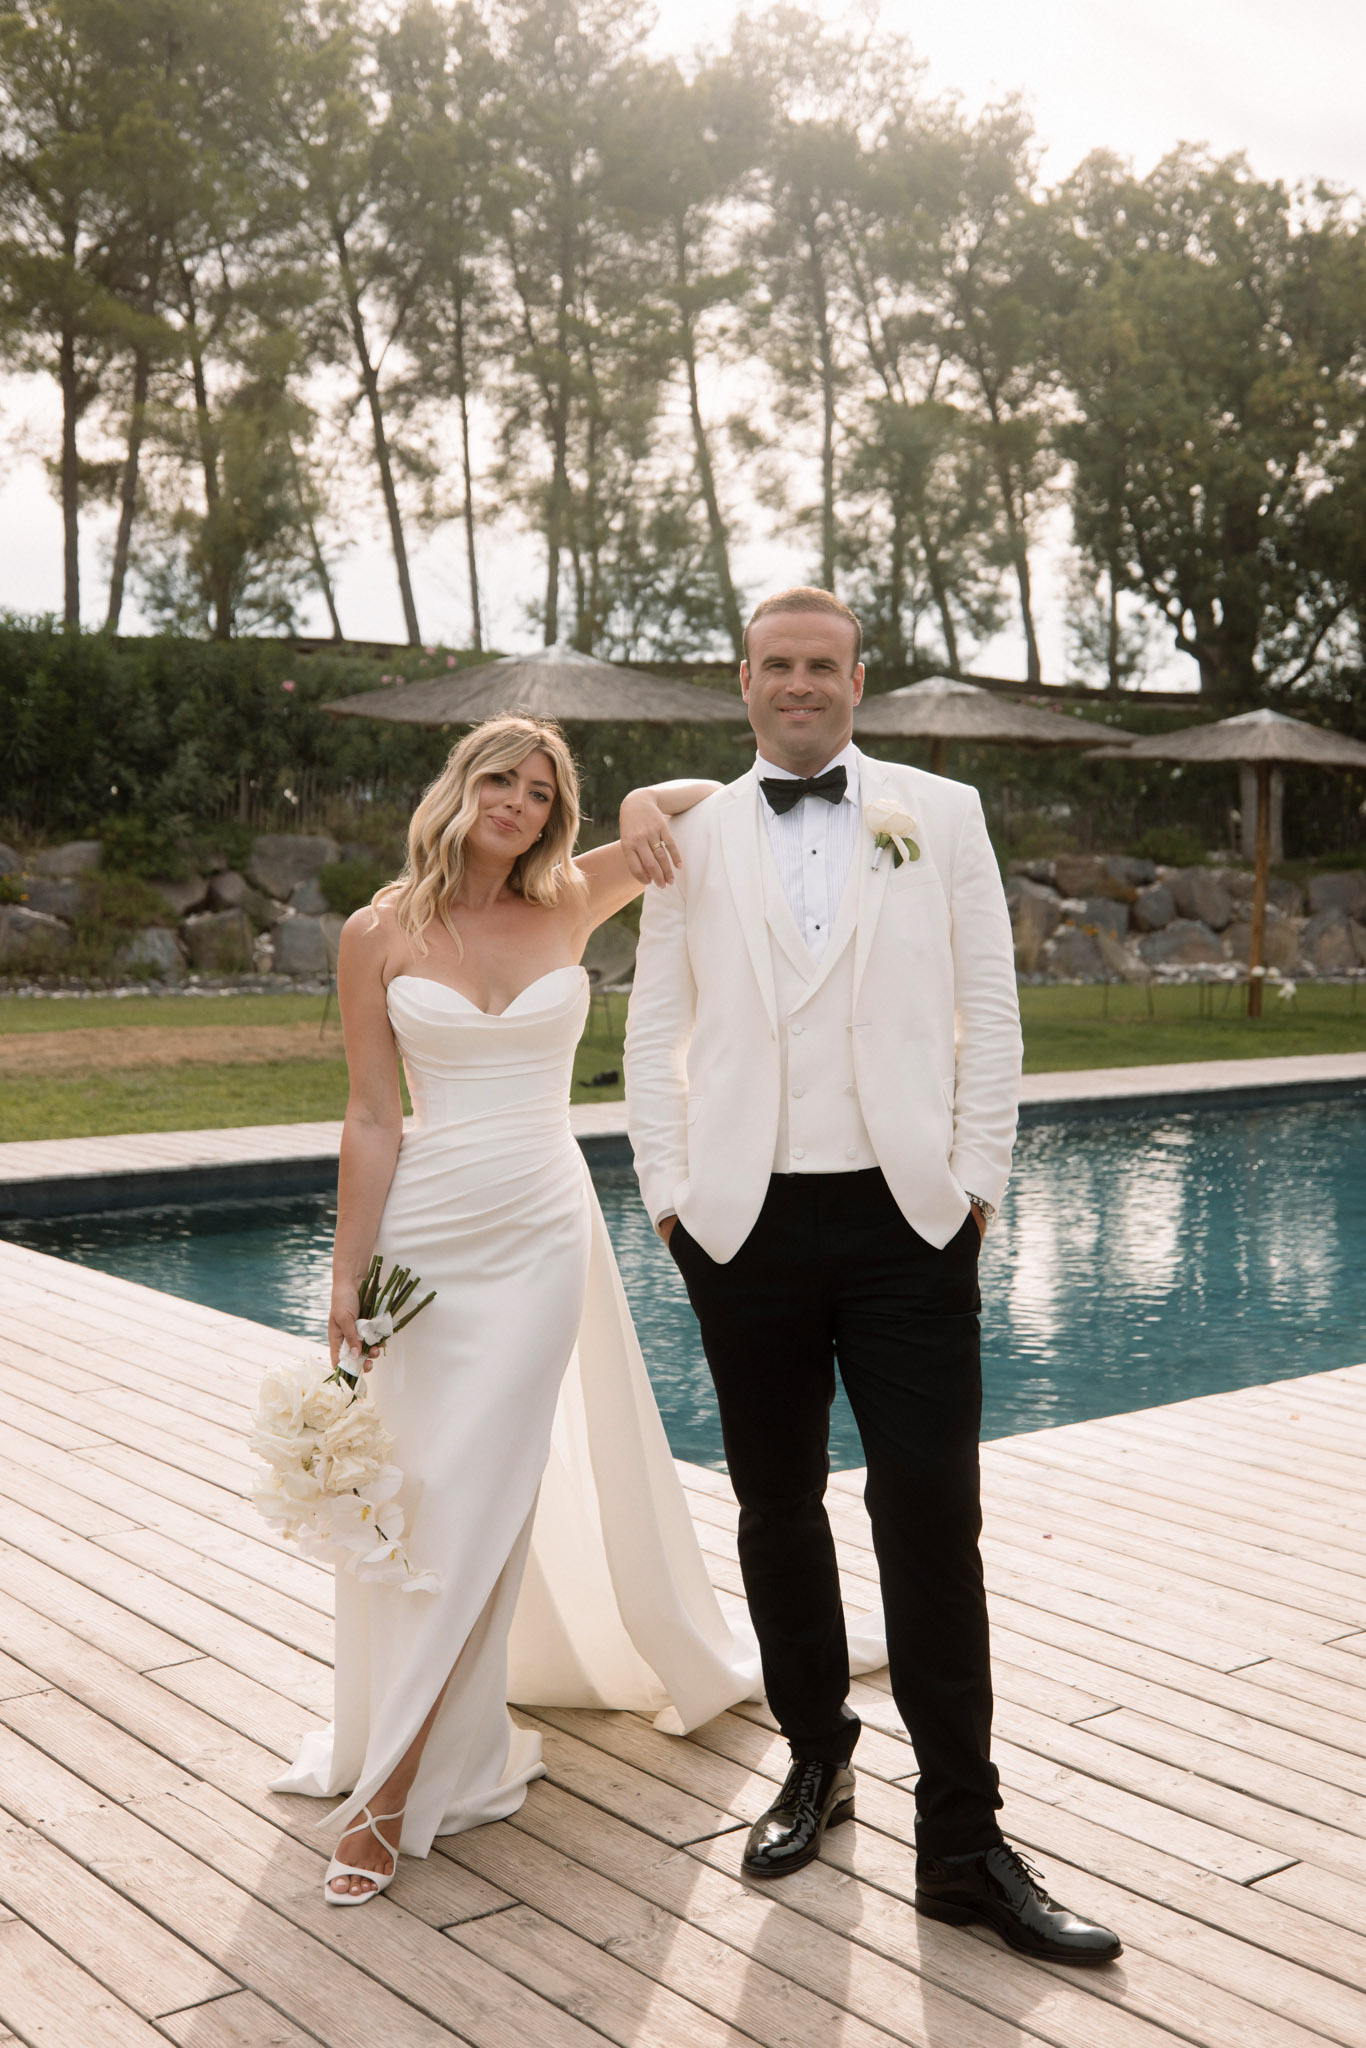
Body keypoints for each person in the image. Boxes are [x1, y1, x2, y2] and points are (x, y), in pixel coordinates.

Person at [624, 588, 1121, 1965]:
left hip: (910, 1228)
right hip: (742, 1231)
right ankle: (815, 1759)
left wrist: (971, 1192)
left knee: (929, 1522)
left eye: (820, 665)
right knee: (774, 1510)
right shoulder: (691, 833)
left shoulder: (937, 814)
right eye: (774, 665)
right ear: (742, 681)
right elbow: (653, 1020)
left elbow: (991, 1009)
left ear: (857, 679)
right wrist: (671, 1202)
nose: (798, 684)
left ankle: (962, 1843)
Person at [273, 713, 757, 1902]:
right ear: (459, 786)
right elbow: (373, 1115)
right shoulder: (376, 931)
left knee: (490, 1487)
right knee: (423, 1488)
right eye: (500, 778)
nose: (520, 802)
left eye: (543, 790)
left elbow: (723, 794)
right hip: (426, 1237)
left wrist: (641, 801)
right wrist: (346, 1271)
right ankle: (430, 1728)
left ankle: (384, 1797)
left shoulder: (573, 897)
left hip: (543, 1227)